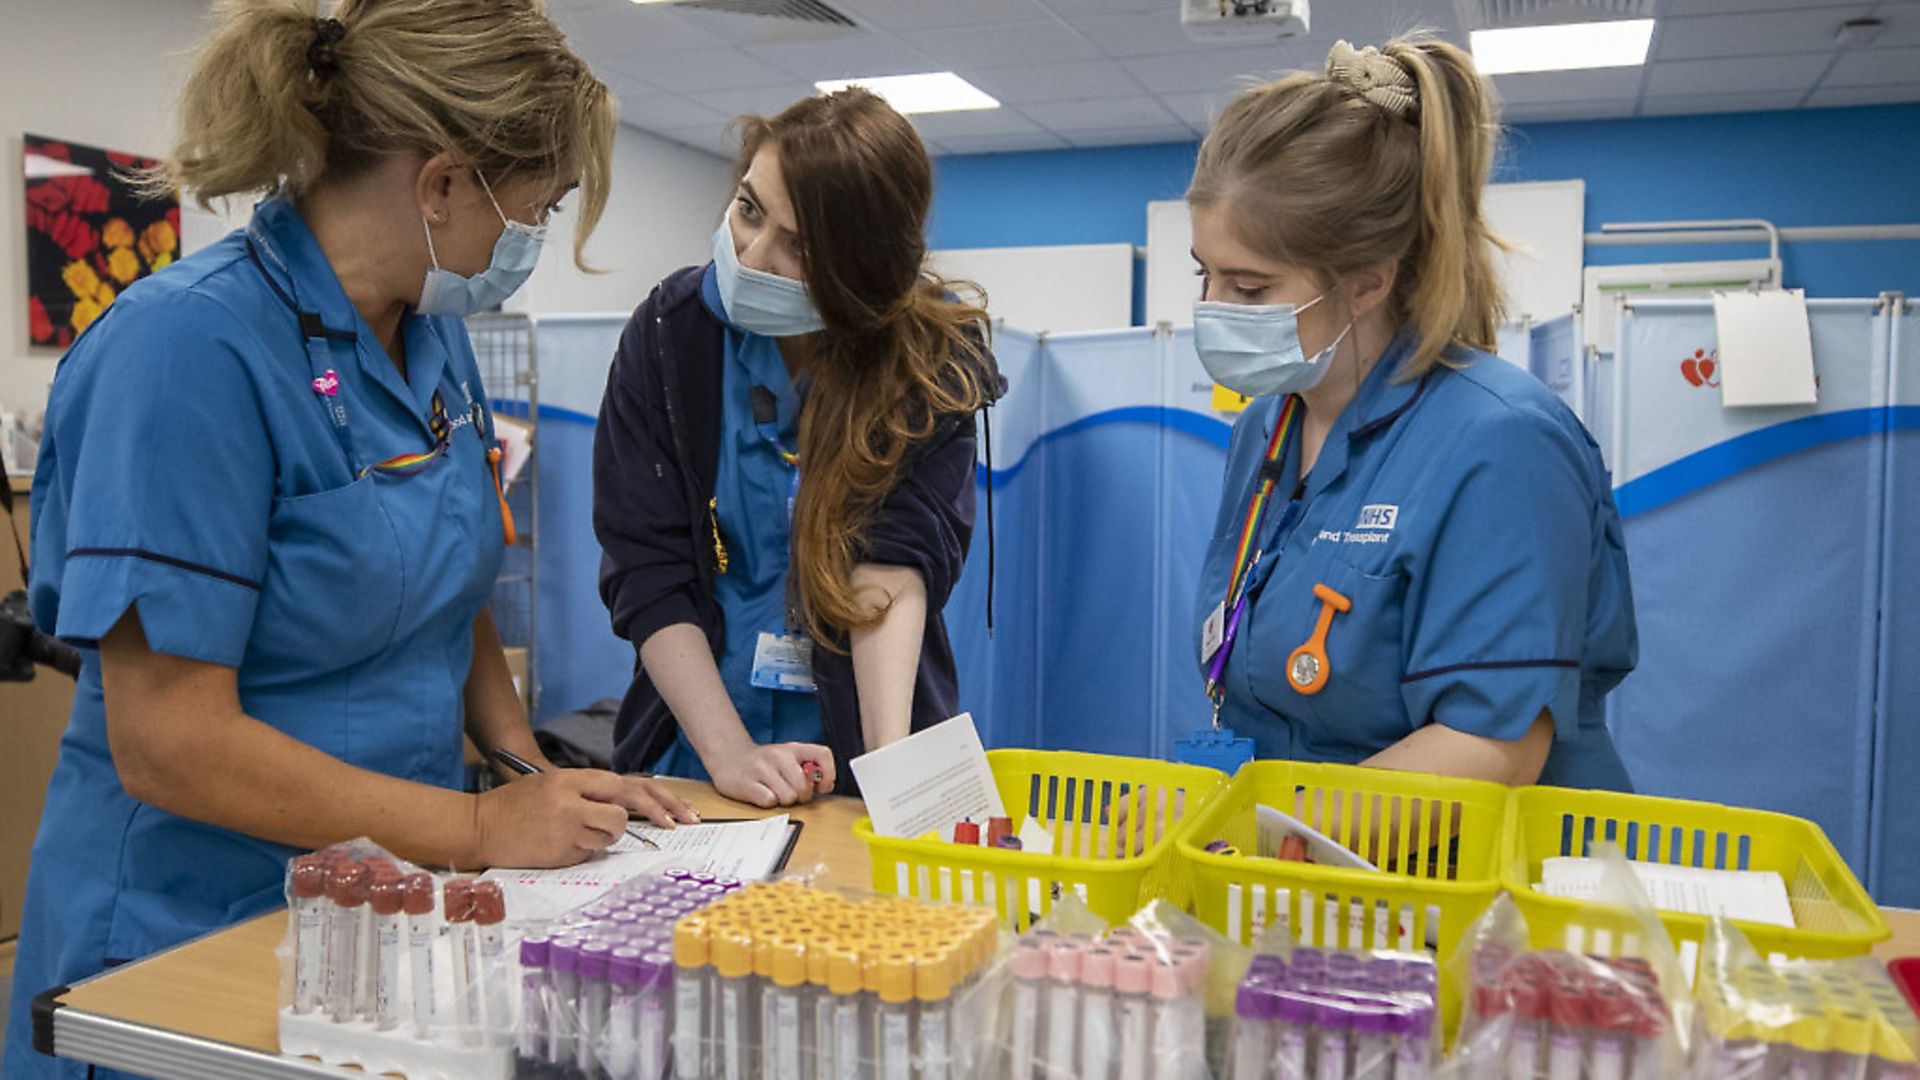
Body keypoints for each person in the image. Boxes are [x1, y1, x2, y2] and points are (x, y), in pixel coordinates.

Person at [6, 4, 695, 1075]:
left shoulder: (432, 338)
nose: (533, 243)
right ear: (442, 184)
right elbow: (167, 739)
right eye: (538, 209)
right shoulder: (186, 350)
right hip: (179, 933)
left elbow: (452, 591)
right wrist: (475, 834)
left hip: (373, 914)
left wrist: (534, 782)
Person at [1188, 36, 1636, 790]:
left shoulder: (1501, 443)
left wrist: (1241, 826)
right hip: (1309, 874)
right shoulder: (1267, 430)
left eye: (1249, 288)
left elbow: (1488, 753)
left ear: (1367, 282)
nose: (1210, 310)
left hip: (1475, 883)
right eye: (1204, 276)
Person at [595, 89, 999, 808]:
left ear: (863, 269)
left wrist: (890, 779)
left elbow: (890, 568)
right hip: (699, 745)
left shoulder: (930, 359)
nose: (752, 256)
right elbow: (647, 571)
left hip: (863, 738)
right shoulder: (670, 334)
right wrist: (730, 755)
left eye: (800, 247)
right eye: (749, 210)